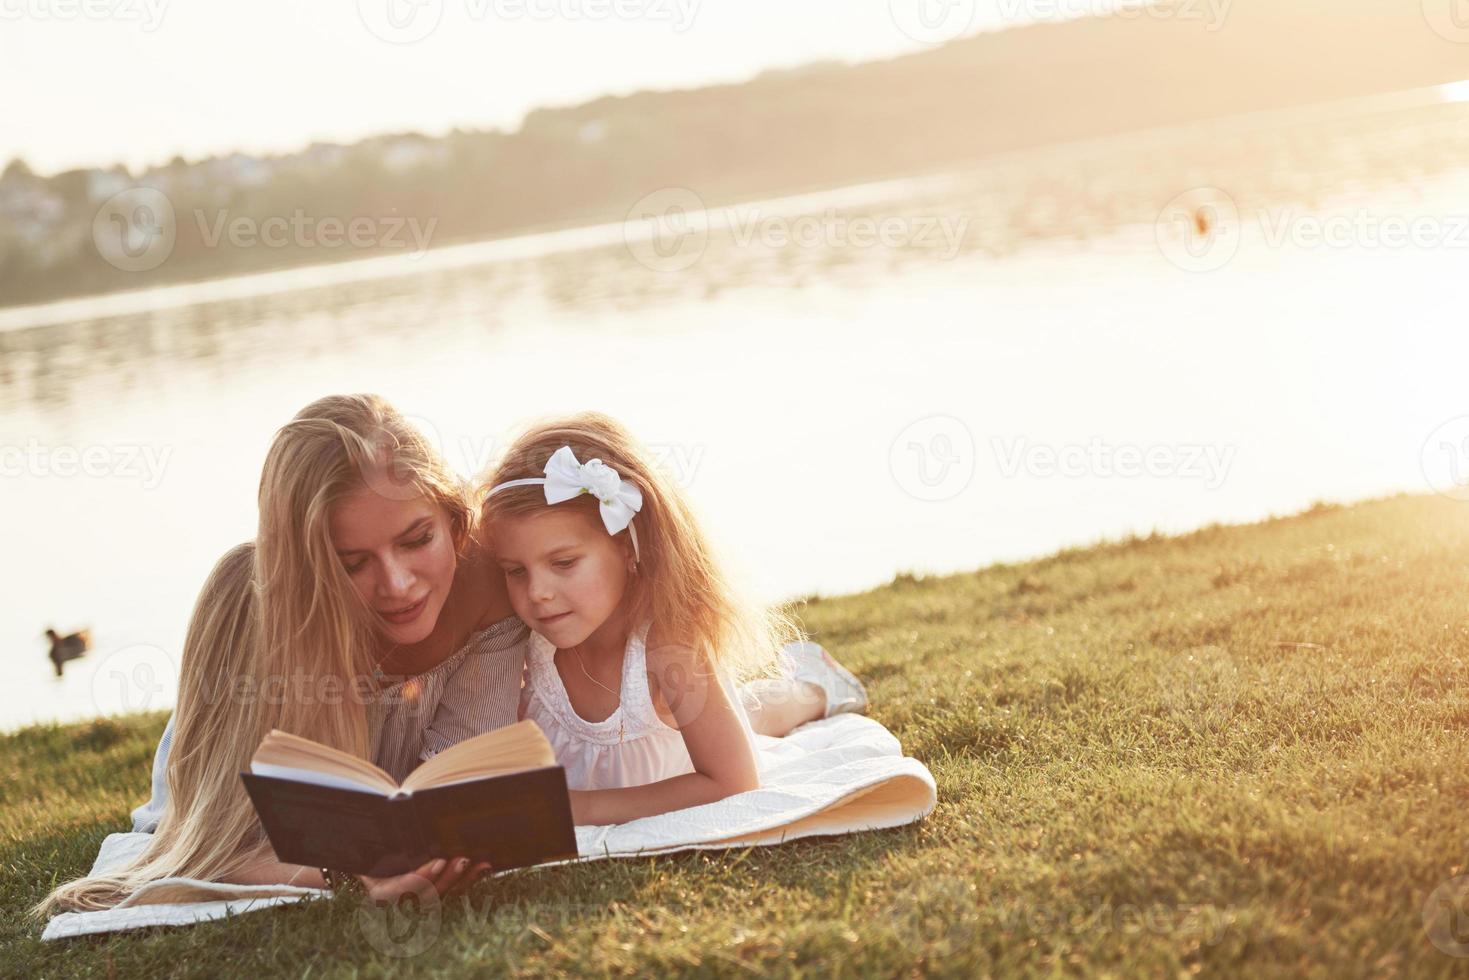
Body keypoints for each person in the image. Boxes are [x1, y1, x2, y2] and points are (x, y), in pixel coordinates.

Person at [38, 394, 524, 914]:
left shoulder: (492, 584)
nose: (398, 584)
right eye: (352, 563)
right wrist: (349, 876)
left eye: (417, 539)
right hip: (229, 803)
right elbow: (204, 843)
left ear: (450, 519)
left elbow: (467, 776)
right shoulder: (249, 603)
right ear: (304, 565)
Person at [480, 411, 869, 827]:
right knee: (743, 711)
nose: (536, 592)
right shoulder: (528, 643)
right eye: (515, 571)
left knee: (762, 714)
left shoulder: (668, 646)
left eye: (564, 562)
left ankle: (818, 685)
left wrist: (583, 808)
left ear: (629, 547)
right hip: (666, 734)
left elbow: (734, 781)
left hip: (677, 744)